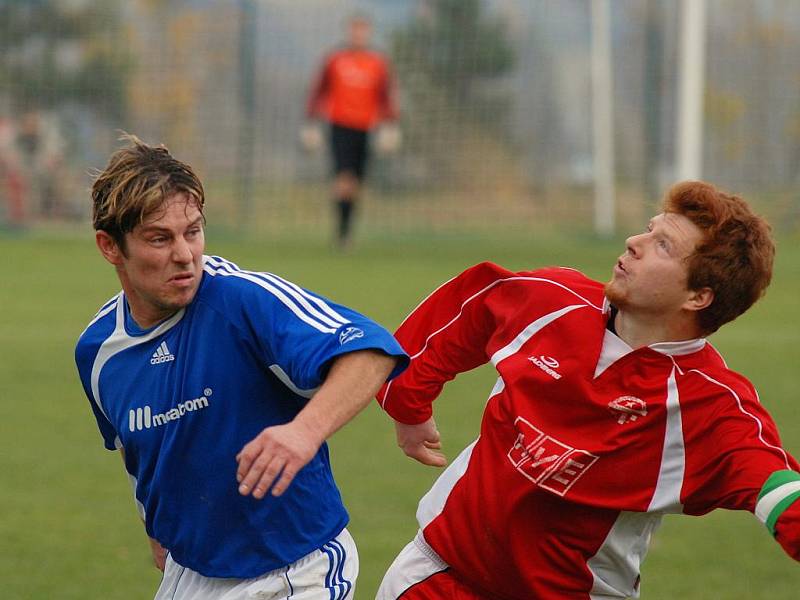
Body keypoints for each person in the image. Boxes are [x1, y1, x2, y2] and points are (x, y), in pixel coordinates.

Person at [375, 181, 800, 600]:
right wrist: (407, 402)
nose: (635, 241)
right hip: (438, 575)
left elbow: (779, 490)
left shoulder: (711, 406)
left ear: (698, 296)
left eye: (664, 245)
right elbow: (472, 305)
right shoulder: (553, 302)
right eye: (649, 229)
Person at [74, 134, 407, 599]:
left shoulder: (240, 300)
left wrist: (304, 431)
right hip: (191, 577)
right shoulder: (98, 351)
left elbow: (370, 351)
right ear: (110, 247)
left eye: (192, 231)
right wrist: (156, 526)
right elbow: (136, 449)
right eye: (159, 238)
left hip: (296, 572)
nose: (185, 254)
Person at [304, 13, 400, 250]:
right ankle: (342, 233)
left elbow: (385, 96)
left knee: (355, 183)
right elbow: (319, 90)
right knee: (344, 179)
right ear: (349, 32)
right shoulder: (335, 60)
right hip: (339, 126)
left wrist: (390, 125)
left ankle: (346, 231)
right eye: (355, 30)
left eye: (363, 30)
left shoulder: (377, 63)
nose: (359, 35)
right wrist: (312, 122)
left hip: (365, 128)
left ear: (368, 33)